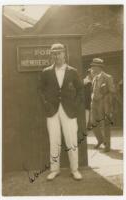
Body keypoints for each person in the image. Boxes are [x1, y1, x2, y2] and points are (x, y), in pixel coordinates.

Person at [41, 43, 83, 180]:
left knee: (71, 140)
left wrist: (75, 106)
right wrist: (46, 104)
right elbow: (40, 90)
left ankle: (74, 169)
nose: (56, 56)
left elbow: (81, 90)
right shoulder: (46, 72)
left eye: (59, 53)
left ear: (64, 54)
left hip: (69, 111)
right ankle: (54, 169)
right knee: (54, 140)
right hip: (52, 111)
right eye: (54, 53)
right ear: (51, 55)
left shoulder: (73, 71)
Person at [90, 58, 115, 152]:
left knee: (105, 124)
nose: (91, 68)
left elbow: (112, 91)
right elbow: (93, 90)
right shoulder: (94, 78)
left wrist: (107, 102)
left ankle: (107, 145)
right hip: (94, 103)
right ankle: (100, 140)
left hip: (103, 103)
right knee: (93, 123)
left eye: (93, 66)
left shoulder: (108, 77)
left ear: (99, 67)